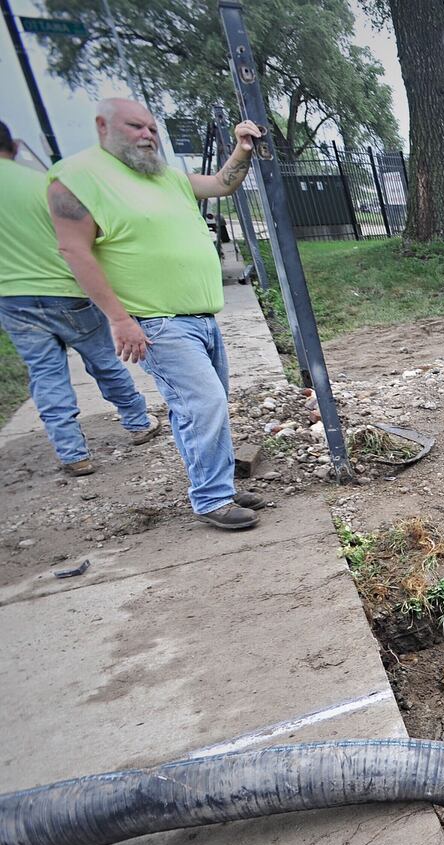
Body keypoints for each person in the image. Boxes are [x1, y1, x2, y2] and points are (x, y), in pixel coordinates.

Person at [48, 99, 265, 530]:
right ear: (102, 126)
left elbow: (222, 185)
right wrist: (118, 319)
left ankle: (215, 482)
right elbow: (74, 249)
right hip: (157, 322)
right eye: (135, 126)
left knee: (200, 407)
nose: (148, 134)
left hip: (200, 318)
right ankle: (212, 497)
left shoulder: (163, 175)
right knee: (204, 403)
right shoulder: (77, 178)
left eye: (151, 127)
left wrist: (241, 148)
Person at [0, 118, 159, 475]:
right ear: (14, 146)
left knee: (45, 374)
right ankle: (137, 421)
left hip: (12, 298)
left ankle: (73, 453)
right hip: (67, 290)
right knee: (103, 360)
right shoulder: (44, 184)